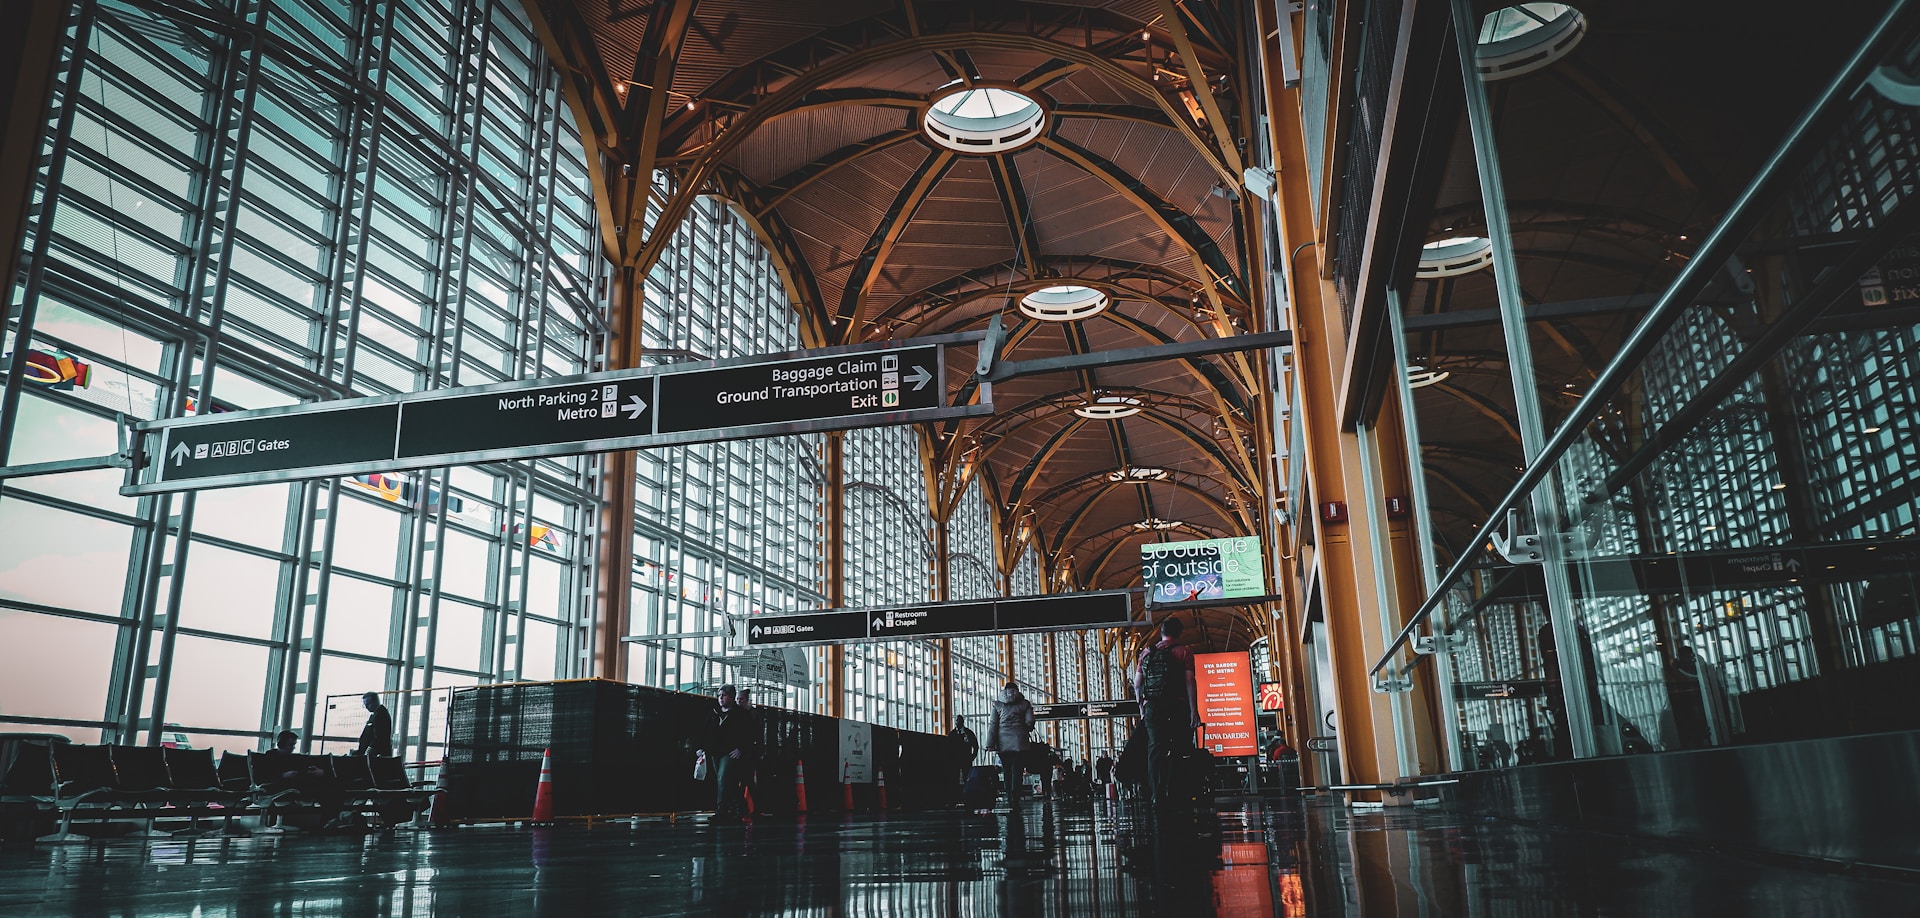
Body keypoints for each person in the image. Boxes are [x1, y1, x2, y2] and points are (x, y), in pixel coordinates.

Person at [1133, 617, 1199, 808]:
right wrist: (1193, 710)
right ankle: (1176, 793)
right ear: (1180, 633)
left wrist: (1142, 709)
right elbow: (1189, 682)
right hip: (1176, 706)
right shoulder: (1184, 651)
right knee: (1178, 748)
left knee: (1155, 749)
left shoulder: (1146, 653)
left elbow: (1137, 685)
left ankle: (1156, 795)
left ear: (1160, 632)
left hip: (1153, 706)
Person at [705, 684, 757, 823]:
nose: (720, 698)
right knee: (727, 781)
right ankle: (741, 806)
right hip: (716, 752)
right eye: (719, 696)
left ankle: (721, 811)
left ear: (731, 697)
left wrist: (741, 748)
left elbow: (750, 734)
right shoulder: (714, 712)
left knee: (722, 778)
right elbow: (707, 731)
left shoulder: (741, 715)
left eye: (724, 695)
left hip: (730, 752)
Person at [985, 682, 1035, 803]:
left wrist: (990, 744)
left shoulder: (997, 705)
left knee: (1007, 771)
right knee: (1017, 772)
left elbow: (993, 725)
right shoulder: (1025, 704)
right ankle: (1016, 796)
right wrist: (1027, 727)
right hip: (1020, 744)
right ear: (1017, 691)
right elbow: (1030, 721)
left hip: (1003, 745)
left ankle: (1009, 797)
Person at [356, 692, 393, 757]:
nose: (367, 707)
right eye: (365, 705)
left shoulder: (381, 715)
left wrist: (371, 748)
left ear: (376, 702)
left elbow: (379, 736)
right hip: (372, 753)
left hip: (376, 754)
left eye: (368, 704)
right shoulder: (376, 714)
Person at [949, 715, 980, 793]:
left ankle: (964, 795)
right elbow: (975, 746)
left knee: (965, 778)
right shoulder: (966, 733)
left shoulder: (953, 734)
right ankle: (959, 795)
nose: (957, 722)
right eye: (957, 720)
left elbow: (976, 746)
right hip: (958, 760)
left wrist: (972, 757)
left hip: (962, 760)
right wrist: (972, 757)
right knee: (956, 778)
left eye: (958, 720)